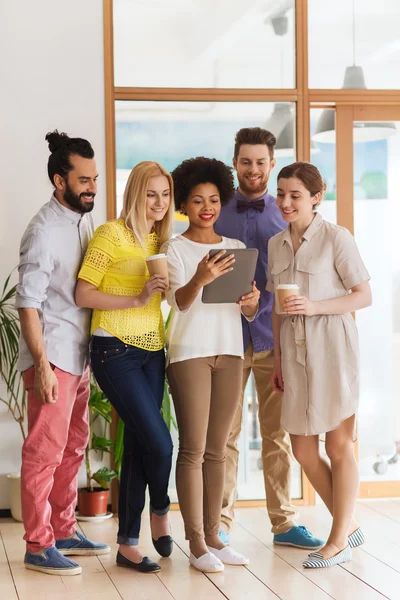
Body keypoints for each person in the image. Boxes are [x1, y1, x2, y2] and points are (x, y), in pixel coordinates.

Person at [215, 127, 324, 549]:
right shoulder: (215, 210)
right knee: (224, 435)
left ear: (271, 164)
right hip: (225, 335)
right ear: (235, 162)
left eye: (261, 162)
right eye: (246, 161)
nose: (253, 169)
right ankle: (220, 524)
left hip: (274, 338)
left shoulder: (287, 210)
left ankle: (282, 523)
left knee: (277, 435)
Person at [268, 161, 372, 568]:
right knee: (303, 449)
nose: (286, 202)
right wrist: (277, 358)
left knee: (338, 444)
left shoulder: (336, 237)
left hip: (334, 347)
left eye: (295, 195)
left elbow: (363, 295)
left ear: (316, 197)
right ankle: (347, 526)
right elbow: (278, 308)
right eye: (281, 194)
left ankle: (336, 540)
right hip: (293, 355)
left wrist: (314, 307)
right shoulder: (277, 245)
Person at [16, 130, 110, 576]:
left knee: (74, 446)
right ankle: (38, 544)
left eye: (94, 178)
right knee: (44, 452)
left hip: (79, 352)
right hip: (52, 356)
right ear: (59, 180)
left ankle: (64, 528)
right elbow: (28, 303)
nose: (92, 186)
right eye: (83, 180)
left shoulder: (81, 218)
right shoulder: (42, 231)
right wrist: (43, 367)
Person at [76, 161, 175, 573]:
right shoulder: (110, 234)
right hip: (113, 349)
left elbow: (165, 298)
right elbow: (84, 293)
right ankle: (162, 512)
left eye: (165, 195)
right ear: (135, 193)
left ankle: (128, 544)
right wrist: (136, 299)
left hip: (153, 351)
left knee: (137, 444)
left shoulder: (161, 240)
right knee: (161, 442)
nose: (159, 202)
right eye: (151, 194)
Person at [162, 157, 260, 573]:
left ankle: (216, 536)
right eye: (198, 200)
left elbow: (247, 311)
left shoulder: (236, 249)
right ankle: (197, 543)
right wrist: (200, 278)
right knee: (194, 450)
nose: (207, 207)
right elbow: (178, 303)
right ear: (183, 203)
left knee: (218, 451)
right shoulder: (175, 248)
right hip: (189, 354)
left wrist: (252, 304)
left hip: (231, 352)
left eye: (215, 199)